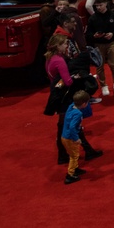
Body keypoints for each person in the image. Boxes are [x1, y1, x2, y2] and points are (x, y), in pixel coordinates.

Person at [45, 33, 102, 165]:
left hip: (57, 94)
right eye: (65, 43)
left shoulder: (50, 58)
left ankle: (76, 153)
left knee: (63, 125)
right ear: (58, 46)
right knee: (71, 124)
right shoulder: (59, 60)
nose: (67, 45)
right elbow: (68, 82)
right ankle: (69, 154)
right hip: (65, 97)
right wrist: (80, 77)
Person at [86, 0, 114, 96]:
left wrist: (112, 34)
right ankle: (103, 85)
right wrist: (94, 36)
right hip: (98, 44)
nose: (98, 7)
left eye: (100, 5)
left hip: (112, 42)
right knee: (99, 65)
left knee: (113, 64)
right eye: (96, 6)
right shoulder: (92, 18)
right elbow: (88, 33)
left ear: (105, 4)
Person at [60, 90, 91, 184]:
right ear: (84, 103)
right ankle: (70, 174)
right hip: (70, 138)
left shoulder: (71, 107)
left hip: (65, 136)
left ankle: (75, 168)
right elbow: (72, 127)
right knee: (74, 156)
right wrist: (76, 139)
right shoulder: (78, 114)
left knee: (74, 153)